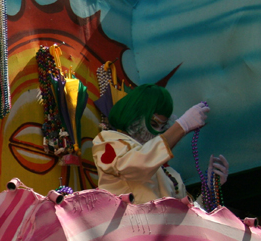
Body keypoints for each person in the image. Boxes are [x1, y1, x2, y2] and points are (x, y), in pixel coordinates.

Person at [92, 84, 229, 205]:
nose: (157, 132)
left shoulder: (168, 173)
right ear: (132, 115)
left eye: (162, 127)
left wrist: (210, 190)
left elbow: (185, 219)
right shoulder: (108, 140)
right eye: (153, 124)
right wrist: (181, 127)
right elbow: (133, 167)